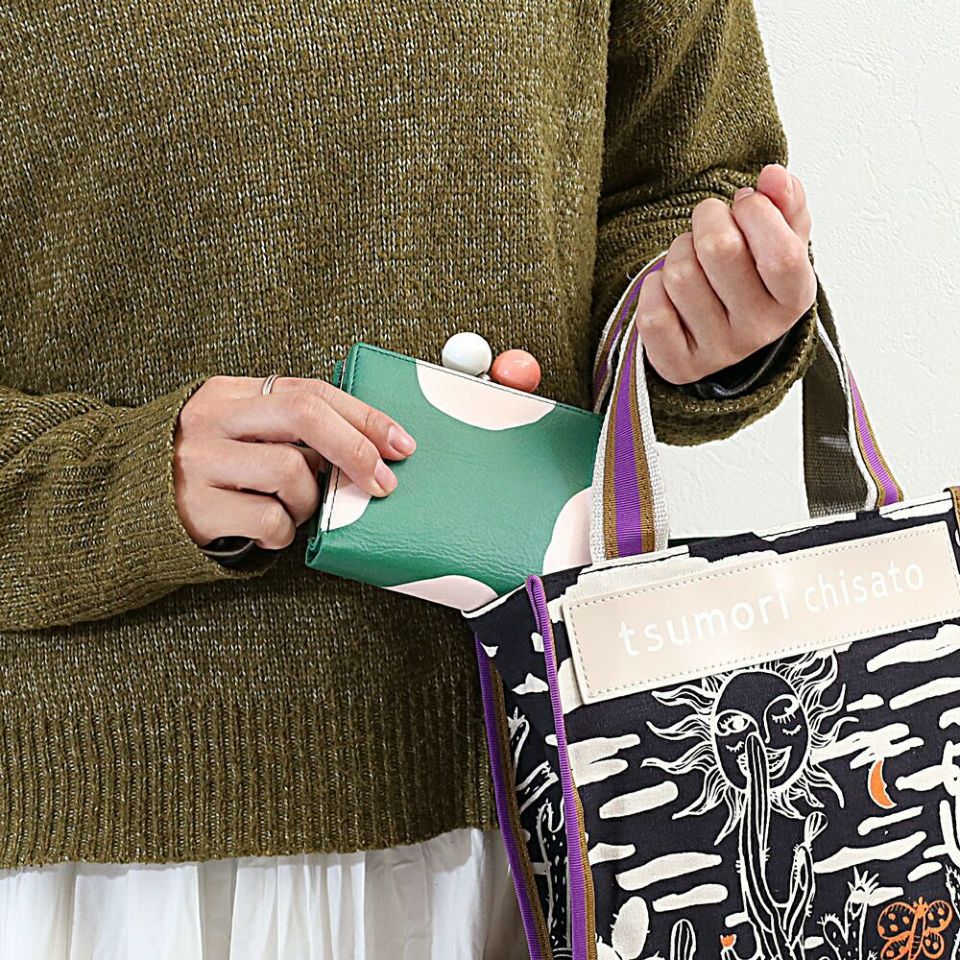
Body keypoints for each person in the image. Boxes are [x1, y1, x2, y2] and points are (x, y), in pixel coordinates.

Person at [0, 0, 824, 956]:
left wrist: (696, 317)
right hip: (88, 837)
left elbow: (681, 187)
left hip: (530, 797)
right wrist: (122, 478)